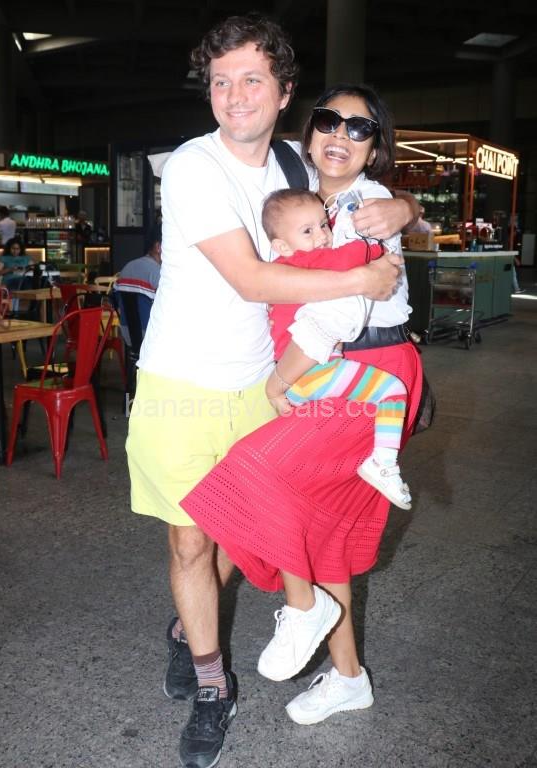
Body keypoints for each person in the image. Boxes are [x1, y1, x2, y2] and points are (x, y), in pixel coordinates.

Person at [125, 16, 417, 768]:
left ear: (284, 93)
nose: (234, 95)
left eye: (252, 78)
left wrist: (405, 210)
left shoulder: (292, 162)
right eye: (220, 81)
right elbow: (254, 279)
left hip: (268, 380)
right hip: (185, 377)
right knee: (190, 538)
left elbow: (355, 194)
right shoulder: (192, 167)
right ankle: (211, 681)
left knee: (241, 529)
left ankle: (194, 627)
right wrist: (360, 278)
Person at [180, 82, 423, 727]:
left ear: (375, 146)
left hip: (364, 367)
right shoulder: (310, 191)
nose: (340, 135)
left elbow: (338, 313)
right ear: (309, 130)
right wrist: (413, 204)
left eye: (359, 128)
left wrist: (278, 381)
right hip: (337, 370)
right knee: (325, 534)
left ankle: (305, 609)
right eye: (328, 121)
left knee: (255, 469)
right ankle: (349, 678)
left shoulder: (366, 209)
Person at [262, 189, 412, 510]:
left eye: (323, 225)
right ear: (282, 246)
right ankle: (384, 463)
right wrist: (375, 248)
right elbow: (346, 258)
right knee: (393, 392)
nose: (322, 236)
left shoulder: (285, 269)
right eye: (308, 231)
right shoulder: (303, 262)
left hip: (303, 373)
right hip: (313, 370)